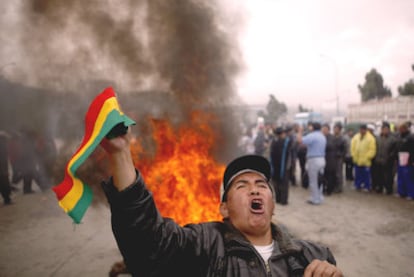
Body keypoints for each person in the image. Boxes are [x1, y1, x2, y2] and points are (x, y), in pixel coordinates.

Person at [100, 128, 343, 276]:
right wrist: (120, 154)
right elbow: (149, 245)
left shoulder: (311, 255)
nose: (254, 190)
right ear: (224, 208)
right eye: (241, 185)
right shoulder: (205, 246)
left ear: (272, 204)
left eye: (261, 185)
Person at [297, 122, 327, 205]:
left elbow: (299, 140)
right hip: (322, 159)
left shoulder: (312, 135)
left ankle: (315, 199)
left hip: (314, 160)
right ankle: (320, 197)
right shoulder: (322, 136)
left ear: (312, 128)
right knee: (320, 179)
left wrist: (300, 131)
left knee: (313, 180)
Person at [372, 122, 397, 195]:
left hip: (388, 161)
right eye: (383, 129)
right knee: (379, 175)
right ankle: (379, 188)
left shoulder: (393, 139)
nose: (384, 131)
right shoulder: (377, 138)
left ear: (389, 130)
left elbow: (394, 150)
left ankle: (389, 189)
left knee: (388, 176)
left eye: (386, 129)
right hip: (378, 160)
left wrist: (390, 157)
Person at [350, 124, 376, 192]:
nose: (361, 131)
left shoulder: (370, 138)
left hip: (366, 161)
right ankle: (357, 185)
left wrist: (368, 157)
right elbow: (352, 147)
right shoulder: (356, 137)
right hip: (357, 159)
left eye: (363, 129)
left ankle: (367, 187)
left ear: (366, 130)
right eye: (360, 129)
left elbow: (372, 150)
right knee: (357, 174)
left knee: (366, 175)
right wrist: (353, 155)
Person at [269, 127, 292, 205]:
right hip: (284, 166)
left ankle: (278, 199)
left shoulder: (273, 142)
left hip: (274, 166)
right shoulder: (287, 142)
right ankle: (284, 200)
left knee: (276, 182)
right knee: (284, 184)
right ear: (282, 134)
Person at [0, 132, 12, 205]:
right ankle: (7, 199)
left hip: (3, 169)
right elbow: (3, 159)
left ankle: (7, 199)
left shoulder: (3, 146)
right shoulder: (2, 146)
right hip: (2, 170)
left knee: (4, 185)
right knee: (4, 185)